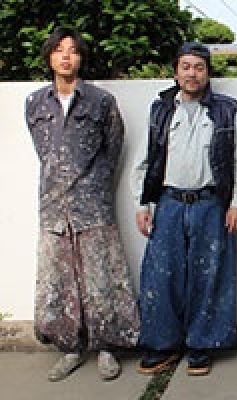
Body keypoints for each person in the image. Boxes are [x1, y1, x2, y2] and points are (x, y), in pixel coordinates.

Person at [24, 27, 139, 382]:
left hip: (93, 205)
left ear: (80, 58)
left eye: (72, 50)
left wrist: (95, 185)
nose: (65, 56)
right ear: (49, 56)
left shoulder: (101, 102)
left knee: (101, 276)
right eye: (59, 50)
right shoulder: (35, 103)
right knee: (58, 279)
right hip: (53, 206)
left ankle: (107, 348)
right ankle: (69, 348)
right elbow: (44, 152)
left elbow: (113, 147)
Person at [131, 42, 237, 376]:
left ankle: (202, 344)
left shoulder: (228, 110)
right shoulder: (160, 110)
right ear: (176, 72)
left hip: (211, 204)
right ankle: (162, 344)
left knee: (210, 275)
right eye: (185, 67)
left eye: (199, 67)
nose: (192, 73)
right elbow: (144, 160)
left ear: (208, 73)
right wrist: (142, 204)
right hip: (168, 203)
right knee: (161, 275)